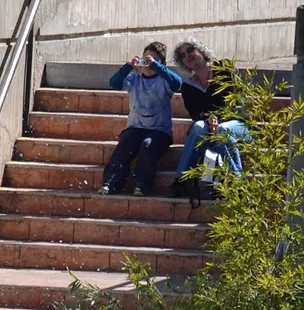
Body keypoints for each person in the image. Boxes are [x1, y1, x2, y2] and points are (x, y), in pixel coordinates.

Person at [102, 41, 181, 196]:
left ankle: (142, 185)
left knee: (147, 145)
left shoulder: (164, 81)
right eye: (145, 59)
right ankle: (110, 182)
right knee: (125, 141)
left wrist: (157, 67)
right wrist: (127, 67)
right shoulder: (134, 79)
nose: (147, 63)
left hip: (159, 131)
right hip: (135, 127)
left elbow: (177, 83)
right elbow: (114, 83)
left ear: (162, 63)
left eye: (152, 60)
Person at [171, 39, 248, 195]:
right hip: (208, 130)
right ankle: (180, 180)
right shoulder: (187, 87)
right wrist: (208, 119)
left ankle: (237, 181)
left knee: (221, 129)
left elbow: (231, 102)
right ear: (183, 63)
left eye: (190, 50)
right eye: (183, 56)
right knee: (199, 126)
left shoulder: (224, 69)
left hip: (237, 125)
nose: (188, 56)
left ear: (201, 50)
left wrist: (216, 119)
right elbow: (195, 114)